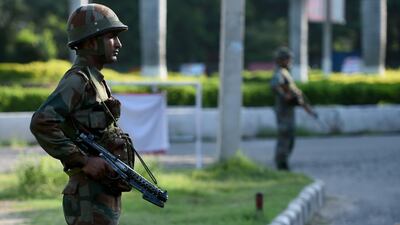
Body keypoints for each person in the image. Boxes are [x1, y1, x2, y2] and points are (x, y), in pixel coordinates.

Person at [30, 4, 134, 225]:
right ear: (89, 41)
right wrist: (83, 160)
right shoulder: (77, 80)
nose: (118, 44)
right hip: (87, 196)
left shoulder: (95, 79)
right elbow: (42, 122)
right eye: (111, 37)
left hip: (101, 191)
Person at [270, 47, 315, 171]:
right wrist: (285, 96)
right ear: (281, 60)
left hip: (288, 111)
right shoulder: (279, 72)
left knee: (290, 138)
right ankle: (281, 165)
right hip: (284, 111)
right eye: (287, 59)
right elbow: (275, 86)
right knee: (285, 137)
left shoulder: (285, 73)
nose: (289, 61)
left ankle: (283, 163)